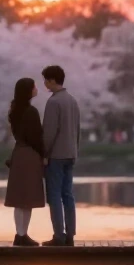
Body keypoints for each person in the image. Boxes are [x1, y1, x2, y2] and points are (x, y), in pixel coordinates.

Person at [40, 65, 81, 246]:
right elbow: (77, 129)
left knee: (54, 194)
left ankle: (59, 235)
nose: (44, 83)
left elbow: (49, 132)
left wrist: (44, 153)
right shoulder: (72, 100)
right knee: (67, 194)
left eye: (46, 79)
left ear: (52, 80)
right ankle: (70, 234)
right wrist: (75, 150)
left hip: (56, 154)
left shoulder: (53, 102)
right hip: (70, 153)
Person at [4, 78, 46, 247]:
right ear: (28, 90)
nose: (36, 89)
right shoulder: (31, 112)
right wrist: (44, 154)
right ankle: (24, 235)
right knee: (27, 198)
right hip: (30, 155)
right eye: (34, 86)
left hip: (18, 153)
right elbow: (36, 137)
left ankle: (19, 234)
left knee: (18, 197)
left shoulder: (14, 111)